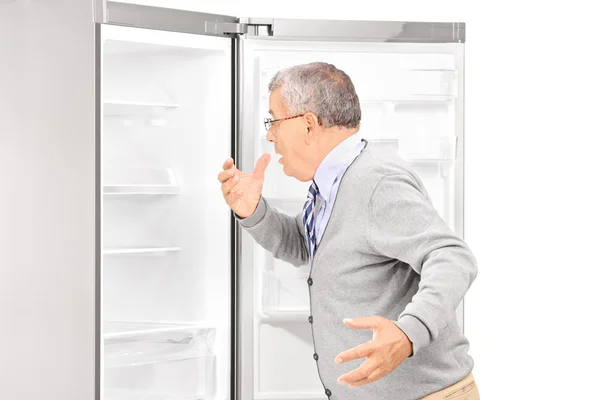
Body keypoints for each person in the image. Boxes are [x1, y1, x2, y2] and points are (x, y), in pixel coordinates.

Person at [218, 62, 480, 400]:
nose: (269, 135)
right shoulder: (333, 182)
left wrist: (408, 334)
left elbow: (452, 257)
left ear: (308, 125)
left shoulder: (375, 181)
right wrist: (253, 210)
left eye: (273, 121)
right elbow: (305, 246)